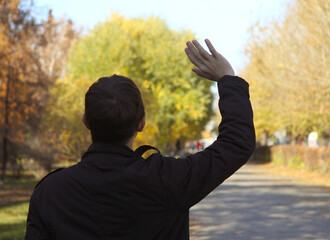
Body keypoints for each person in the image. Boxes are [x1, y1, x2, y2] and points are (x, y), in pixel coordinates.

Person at [25, 39, 255, 239]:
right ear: (141, 123)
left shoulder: (50, 192)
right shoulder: (167, 180)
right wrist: (228, 79)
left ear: (85, 121)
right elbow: (236, 144)